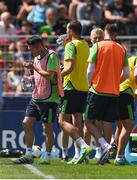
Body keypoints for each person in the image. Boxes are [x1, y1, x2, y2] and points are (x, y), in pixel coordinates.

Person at [13, 35, 64, 164]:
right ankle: (28, 154)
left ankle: (47, 156)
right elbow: (38, 76)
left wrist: (34, 68)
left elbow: (49, 75)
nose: (31, 51)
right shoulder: (36, 57)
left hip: (49, 98)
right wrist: (31, 78)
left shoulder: (52, 56)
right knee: (26, 123)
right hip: (36, 97)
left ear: (39, 46)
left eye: (32, 49)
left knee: (47, 129)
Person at [84, 23, 130, 165]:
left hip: (97, 90)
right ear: (116, 34)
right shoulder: (122, 49)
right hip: (114, 92)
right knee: (107, 122)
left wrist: (89, 83)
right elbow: (127, 73)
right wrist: (116, 81)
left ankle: (104, 145)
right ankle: (104, 156)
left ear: (104, 32)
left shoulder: (97, 46)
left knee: (88, 120)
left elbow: (89, 70)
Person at [59, 20, 92, 165]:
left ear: (71, 31)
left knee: (62, 121)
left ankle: (83, 146)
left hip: (71, 86)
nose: (66, 32)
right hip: (83, 87)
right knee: (77, 121)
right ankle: (79, 154)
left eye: (67, 30)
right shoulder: (85, 44)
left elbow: (70, 68)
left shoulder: (71, 45)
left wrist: (58, 74)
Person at [83, 27, 105, 161]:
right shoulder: (89, 51)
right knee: (86, 123)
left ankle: (98, 150)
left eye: (99, 38)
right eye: (94, 38)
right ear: (90, 39)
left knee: (98, 122)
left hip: (98, 90)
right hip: (87, 90)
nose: (97, 40)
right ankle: (85, 151)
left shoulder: (104, 51)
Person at [114, 55, 137, 165]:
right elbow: (136, 75)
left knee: (120, 126)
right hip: (125, 93)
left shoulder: (130, 58)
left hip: (117, 91)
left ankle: (115, 154)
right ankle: (120, 156)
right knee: (128, 126)